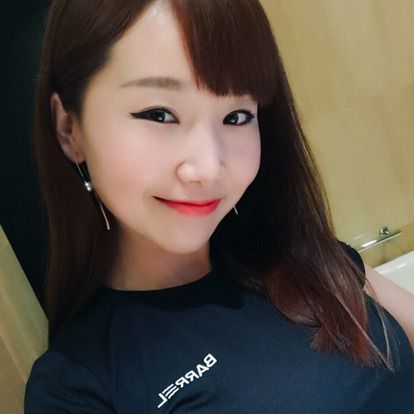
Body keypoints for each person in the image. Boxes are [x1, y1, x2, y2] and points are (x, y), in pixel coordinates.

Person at [24, 0, 414, 412]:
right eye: (159, 114)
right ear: (69, 129)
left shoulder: (300, 255)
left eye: (237, 116)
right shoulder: (78, 388)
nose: (209, 168)